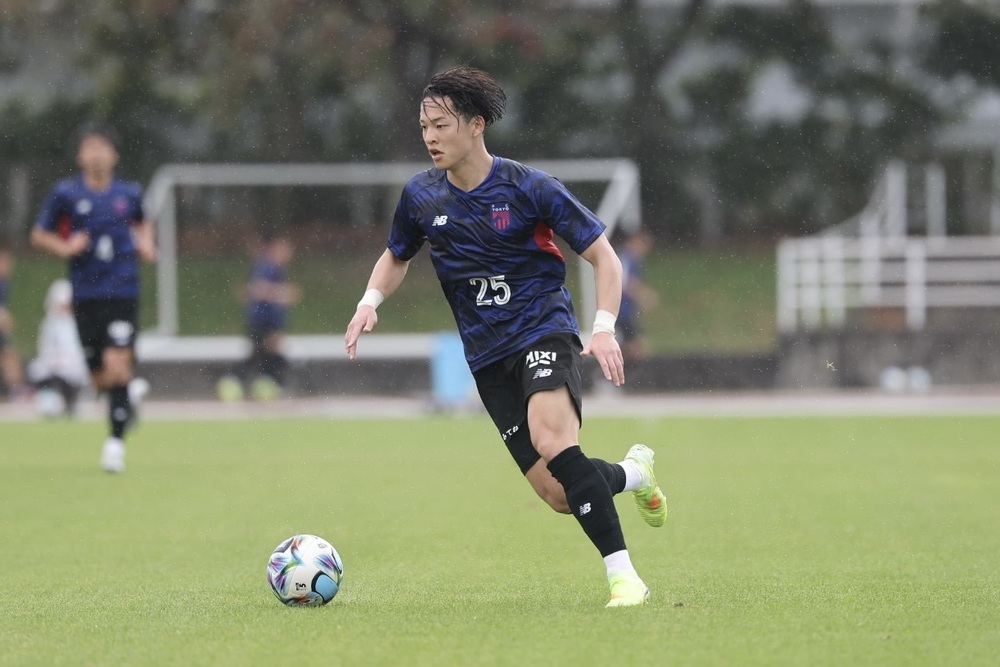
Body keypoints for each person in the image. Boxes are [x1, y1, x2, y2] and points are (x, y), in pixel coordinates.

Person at [344, 66, 667, 608]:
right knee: (558, 493)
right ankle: (635, 473)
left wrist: (604, 328)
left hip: (543, 331)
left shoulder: (530, 187)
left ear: (476, 125)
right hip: (487, 357)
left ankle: (625, 578)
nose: (430, 137)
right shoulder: (421, 196)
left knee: (553, 440)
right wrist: (368, 302)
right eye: (423, 126)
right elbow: (397, 254)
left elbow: (604, 257)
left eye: (441, 125)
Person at [31, 123, 157, 472]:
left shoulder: (129, 193)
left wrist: (147, 243)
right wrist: (65, 246)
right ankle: (128, 399)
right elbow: (38, 234)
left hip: (123, 291)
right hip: (86, 295)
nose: (97, 154)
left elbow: (143, 222)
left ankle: (114, 446)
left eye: (103, 147)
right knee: (100, 379)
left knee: (117, 365)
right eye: (90, 148)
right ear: (80, 156)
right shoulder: (66, 194)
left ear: (114, 155)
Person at [216, 231, 301, 402]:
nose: (289, 253)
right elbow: (258, 289)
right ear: (275, 247)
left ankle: (257, 383)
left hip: (266, 320)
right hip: (263, 321)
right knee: (265, 354)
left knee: (262, 354)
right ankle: (246, 382)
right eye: (285, 248)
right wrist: (283, 293)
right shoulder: (268, 266)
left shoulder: (274, 268)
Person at [27, 279, 90, 417]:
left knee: (73, 373)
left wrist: (68, 359)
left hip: (74, 363)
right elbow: (44, 346)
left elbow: (80, 348)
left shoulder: (78, 322)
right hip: (53, 362)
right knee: (39, 369)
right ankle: (49, 398)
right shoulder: (49, 323)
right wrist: (54, 358)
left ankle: (71, 400)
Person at [617, 229, 659, 362]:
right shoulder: (625, 258)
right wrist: (643, 295)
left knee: (627, 348)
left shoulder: (631, 260)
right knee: (638, 348)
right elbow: (623, 281)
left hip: (625, 312)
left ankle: (609, 373)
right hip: (621, 312)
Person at [0, 242, 29, 400]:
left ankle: (16, 389)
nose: (9, 265)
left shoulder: (5, 283)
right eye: (6, 261)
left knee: (10, 354)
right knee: (9, 354)